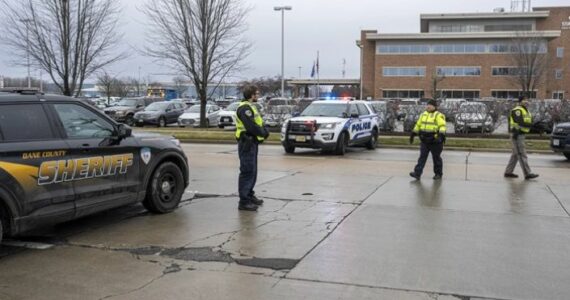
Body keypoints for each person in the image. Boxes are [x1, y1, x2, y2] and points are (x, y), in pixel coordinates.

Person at [235, 85, 270, 211]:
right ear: (251, 95)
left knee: (253, 171)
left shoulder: (250, 107)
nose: (258, 95)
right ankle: (244, 201)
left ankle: (249, 195)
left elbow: (257, 122)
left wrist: (264, 129)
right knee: (247, 171)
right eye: (257, 93)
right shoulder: (244, 109)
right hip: (247, 142)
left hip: (252, 143)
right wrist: (263, 132)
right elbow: (251, 127)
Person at [409, 99, 447, 180]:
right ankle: (417, 173)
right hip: (424, 140)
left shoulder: (438, 115)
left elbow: (442, 126)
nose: (428, 106)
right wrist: (413, 133)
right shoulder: (423, 114)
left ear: (434, 106)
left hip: (435, 141)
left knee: (436, 158)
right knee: (422, 157)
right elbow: (418, 125)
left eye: (430, 105)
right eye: (427, 105)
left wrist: (440, 136)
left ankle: (438, 174)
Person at [504, 95, 539, 180]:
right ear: (520, 101)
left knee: (515, 155)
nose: (526, 101)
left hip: (521, 134)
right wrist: (533, 125)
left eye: (527, 100)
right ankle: (528, 173)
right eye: (524, 100)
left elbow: (528, 122)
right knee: (521, 153)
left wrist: (537, 126)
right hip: (517, 134)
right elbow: (520, 122)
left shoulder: (526, 111)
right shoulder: (517, 110)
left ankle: (508, 172)